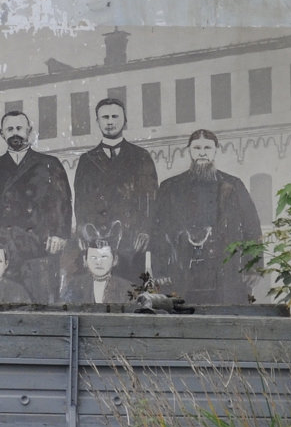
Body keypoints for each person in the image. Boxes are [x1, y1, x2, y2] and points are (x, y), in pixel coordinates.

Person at [151, 129, 263, 304]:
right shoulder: (170, 188)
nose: (202, 152)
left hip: (224, 273)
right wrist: (160, 270)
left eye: (207, 148)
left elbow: (252, 227)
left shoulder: (233, 185)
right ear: (189, 150)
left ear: (216, 150)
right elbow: (158, 230)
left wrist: (254, 267)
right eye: (196, 148)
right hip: (181, 271)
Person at [0, 111, 71, 303]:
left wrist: (60, 233)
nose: (15, 133)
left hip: (40, 245)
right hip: (6, 246)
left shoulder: (49, 163)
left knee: (41, 299)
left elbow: (64, 201)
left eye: (19, 128)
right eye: (10, 129)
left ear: (29, 131)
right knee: (7, 300)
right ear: (2, 133)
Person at [72, 98, 158, 281]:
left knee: (131, 289)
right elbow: (80, 201)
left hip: (131, 241)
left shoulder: (141, 156)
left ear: (125, 120)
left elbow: (150, 198)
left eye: (114, 116)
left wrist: (145, 230)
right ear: (98, 121)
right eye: (105, 117)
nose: (110, 121)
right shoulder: (87, 160)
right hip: (98, 242)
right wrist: (82, 230)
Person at [60, 223, 135, 305]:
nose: (98, 262)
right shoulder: (75, 285)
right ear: (85, 260)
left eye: (104, 257)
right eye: (93, 257)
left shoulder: (127, 289)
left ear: (115, 260)